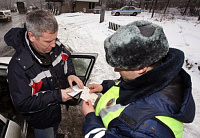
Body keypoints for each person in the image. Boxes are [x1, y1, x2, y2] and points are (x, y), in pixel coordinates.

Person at [81, 20, 195, 138]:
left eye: (120, 67)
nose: (116, 70)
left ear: (141, 68)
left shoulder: (144, 127)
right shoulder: (158, 76)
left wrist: (90, 117)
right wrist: (104, 87)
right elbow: (130, 86)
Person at [4, 10, 83, 138]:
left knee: (55, 130)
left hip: (55, 110)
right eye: (48, 41)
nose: (54, 45)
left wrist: (70, 74)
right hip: (41, 120)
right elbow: (22, 104)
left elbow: (65, 56)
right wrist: (57, 96)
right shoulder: (18, 67)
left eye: (55, 39)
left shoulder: (53, 43)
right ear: (32, 36)